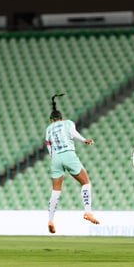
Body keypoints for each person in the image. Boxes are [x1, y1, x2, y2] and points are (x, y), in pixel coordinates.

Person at [45, 94, 99, 233]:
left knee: (55, 191)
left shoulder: (48, 129)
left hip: (55, 158)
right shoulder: (67, 122)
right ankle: (87, 211)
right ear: (61, 118)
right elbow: (73, 133)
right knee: (86, 182)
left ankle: (51, 220)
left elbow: (49, 147)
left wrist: (55, 160)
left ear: (51, 120)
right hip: (68, 154)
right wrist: (84, 140)